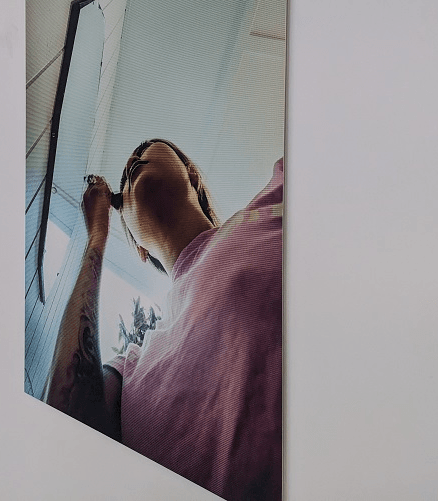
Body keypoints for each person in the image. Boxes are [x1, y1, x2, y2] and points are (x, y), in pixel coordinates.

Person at [44, 138, 282, 501]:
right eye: (123, 177)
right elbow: (66, 427)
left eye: (145, 147)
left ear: (192, 176)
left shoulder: (276, 199)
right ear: (138, 248)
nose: (131, 160)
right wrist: (97, 236)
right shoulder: (129, 371)